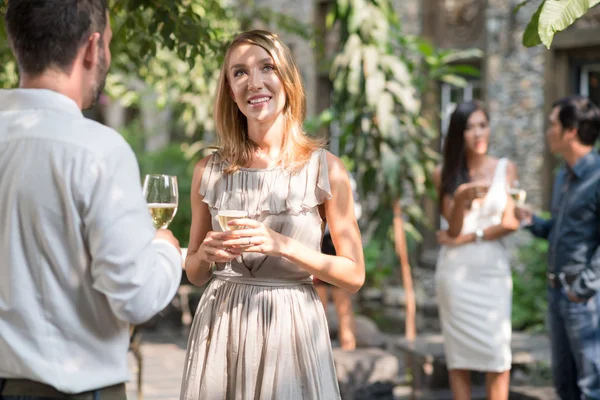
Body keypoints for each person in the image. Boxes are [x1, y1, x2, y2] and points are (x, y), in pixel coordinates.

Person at [0, 1, 183, 399]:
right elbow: (135, 298)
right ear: (91, 48)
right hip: (74, 391)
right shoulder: (98, 151)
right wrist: (167, 251)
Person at [180, 30, 365, 399]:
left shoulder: (326, 168)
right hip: (221, 327)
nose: (255, 82)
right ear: (230, 91)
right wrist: (204, 255)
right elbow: (195, 273)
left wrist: (282, 245)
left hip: (292, 329)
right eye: (239, 73)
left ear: (287, 79)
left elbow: (354, 275)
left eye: (267, 67)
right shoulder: (208, 170)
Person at [433, 101, 520, 400]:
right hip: (456, 278)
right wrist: (460, 198)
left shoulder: (505, 169)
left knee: (498, 357)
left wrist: (472, 237)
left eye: (483, 125)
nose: (478, 133)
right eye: (469, 127)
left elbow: (510, 222)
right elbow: (452, 229)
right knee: (459, 360)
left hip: (492, 272)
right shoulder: (443, 172)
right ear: (458, 134)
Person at [516, 96, 600, 400]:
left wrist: (585, 286)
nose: (547, 131)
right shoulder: (563, 175)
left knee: (592, 387)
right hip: (558, 292)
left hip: (584, 298)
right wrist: (532, 222)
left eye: (553, 124)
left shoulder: (598, 176)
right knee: (564, 385)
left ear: (571, 131)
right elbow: (562, 232)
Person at [314, 173, 361, 351]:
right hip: (323, 240)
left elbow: (354, 212)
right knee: (321, 297)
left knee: (338, 295)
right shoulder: (340, 174)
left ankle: (347, 344)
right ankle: (322, 347)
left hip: (334, 239)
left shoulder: (339, 174)